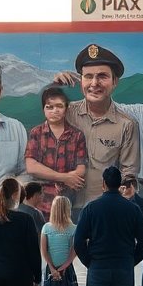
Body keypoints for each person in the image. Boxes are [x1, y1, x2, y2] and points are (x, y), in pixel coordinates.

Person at [64, 44, 141, 211]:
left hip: (104, 212)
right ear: (81, 80)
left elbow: (129, 173)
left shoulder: (127, 125)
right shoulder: (66, 115)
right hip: (64, 212)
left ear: (115, 82)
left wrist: (127, 189)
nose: (94, 83)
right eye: (88, 76)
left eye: (102, 76)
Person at [24, 86, 88, 214]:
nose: (55, 111)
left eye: (59, 106)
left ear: (66, 109)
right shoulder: (36, 133)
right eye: (49, 107)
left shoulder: (77, 135)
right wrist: (64, 178)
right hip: (39, 201)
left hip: (66, 201)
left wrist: (61, 178)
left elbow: (81, 169)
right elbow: (31, 167)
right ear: (43, 109)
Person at [20, 182, 47, 286]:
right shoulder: (35, 214)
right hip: (30, 263)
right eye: (41, 193)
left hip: (15, 263)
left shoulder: (15, 211)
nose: (43, 197)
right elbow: (42, 240)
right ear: (34, 195)